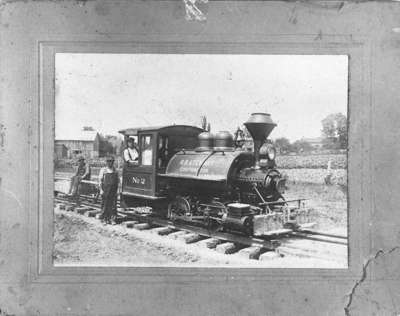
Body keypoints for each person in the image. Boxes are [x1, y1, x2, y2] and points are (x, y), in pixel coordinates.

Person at [98, 156, 119, 225]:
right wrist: (101, 190)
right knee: (105, 205)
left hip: (113, 190)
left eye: (112, 161)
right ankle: (104, 219)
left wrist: (118, 190)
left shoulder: (115, 170)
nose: (110, 163)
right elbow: (100, 181)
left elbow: (118, 181)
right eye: (109, 161)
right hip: (106, 190)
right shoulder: (103, 170)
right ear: (107, 162)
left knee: (113, 205)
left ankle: (112, 219)